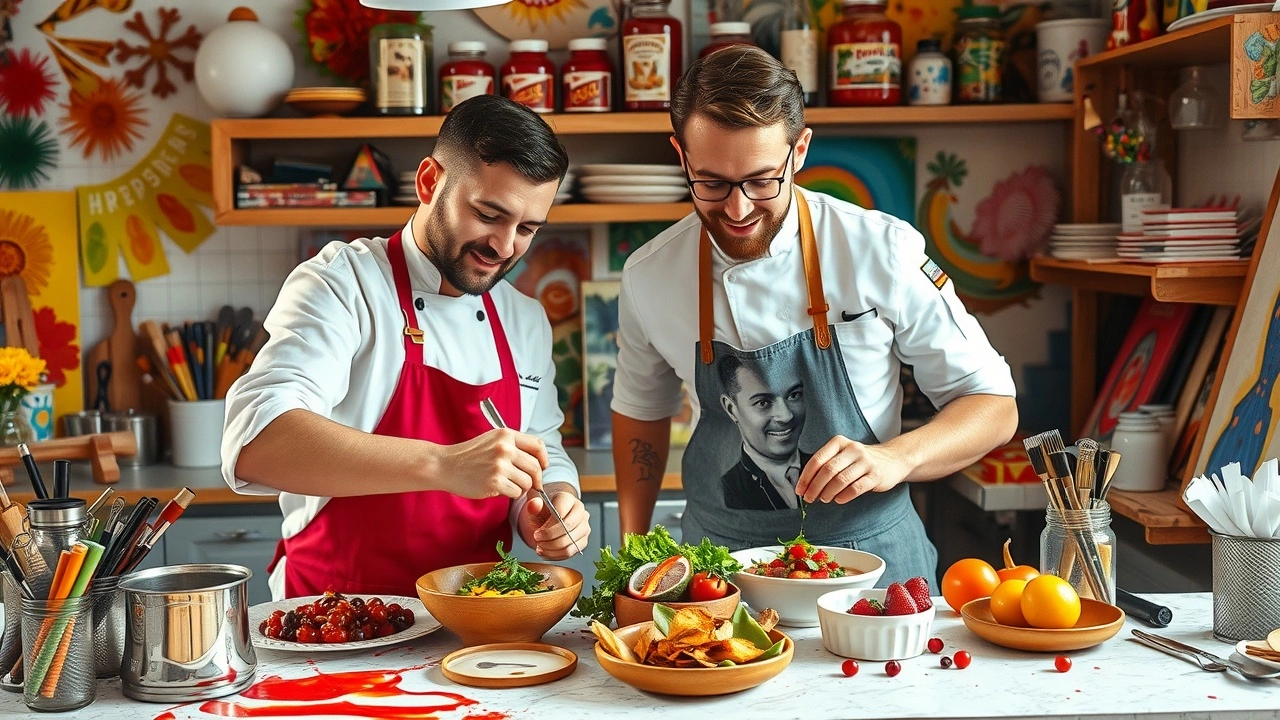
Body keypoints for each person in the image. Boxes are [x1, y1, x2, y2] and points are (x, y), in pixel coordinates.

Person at [609, 46, 1018, 586]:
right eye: (710, 183)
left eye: (761, 181)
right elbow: (640, 411)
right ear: (681, 156)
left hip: (872, 565)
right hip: (716, 573)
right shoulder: (649, 276)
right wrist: (633, 557)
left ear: (798, 151)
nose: (737, 210)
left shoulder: (879, 250)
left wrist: (895, 458)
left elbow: (993, 405)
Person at [221, 95, 591, 600]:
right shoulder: (341, 283)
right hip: (337, 616)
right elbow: (255, 443)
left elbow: (541, 450)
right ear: (429, 182)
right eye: (488, 215)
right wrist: (443, 464)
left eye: (526, 229)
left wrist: (552, 503)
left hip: (472, 618)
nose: (504, 248)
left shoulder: (525, 319)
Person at [717, 354, 812, 511]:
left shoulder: (827, 467)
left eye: (793, 395)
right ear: (731, 409)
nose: (786, 416)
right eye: (763, 403)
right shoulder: (726, 489)